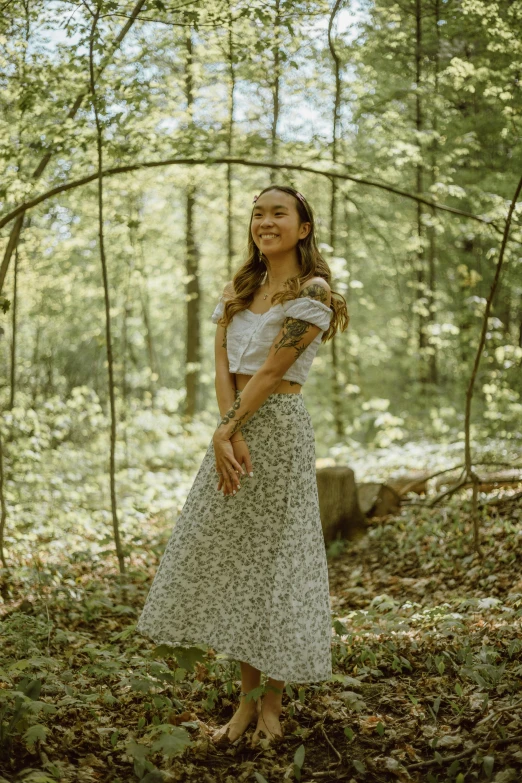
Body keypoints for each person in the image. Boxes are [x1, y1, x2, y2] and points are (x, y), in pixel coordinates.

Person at [136, 184, 349, 748]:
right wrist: (226, 435)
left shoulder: (315, 293)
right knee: (241, 567)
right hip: (233, 430)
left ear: (303, 227)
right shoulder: (238, 288)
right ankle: (243, 703)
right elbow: (222, 371)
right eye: (258, 213)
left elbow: (273, 374)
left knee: (276, 565)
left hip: (277, 430)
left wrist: (227, 429)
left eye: (279, 213)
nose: (265, 221)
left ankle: (271, 706)